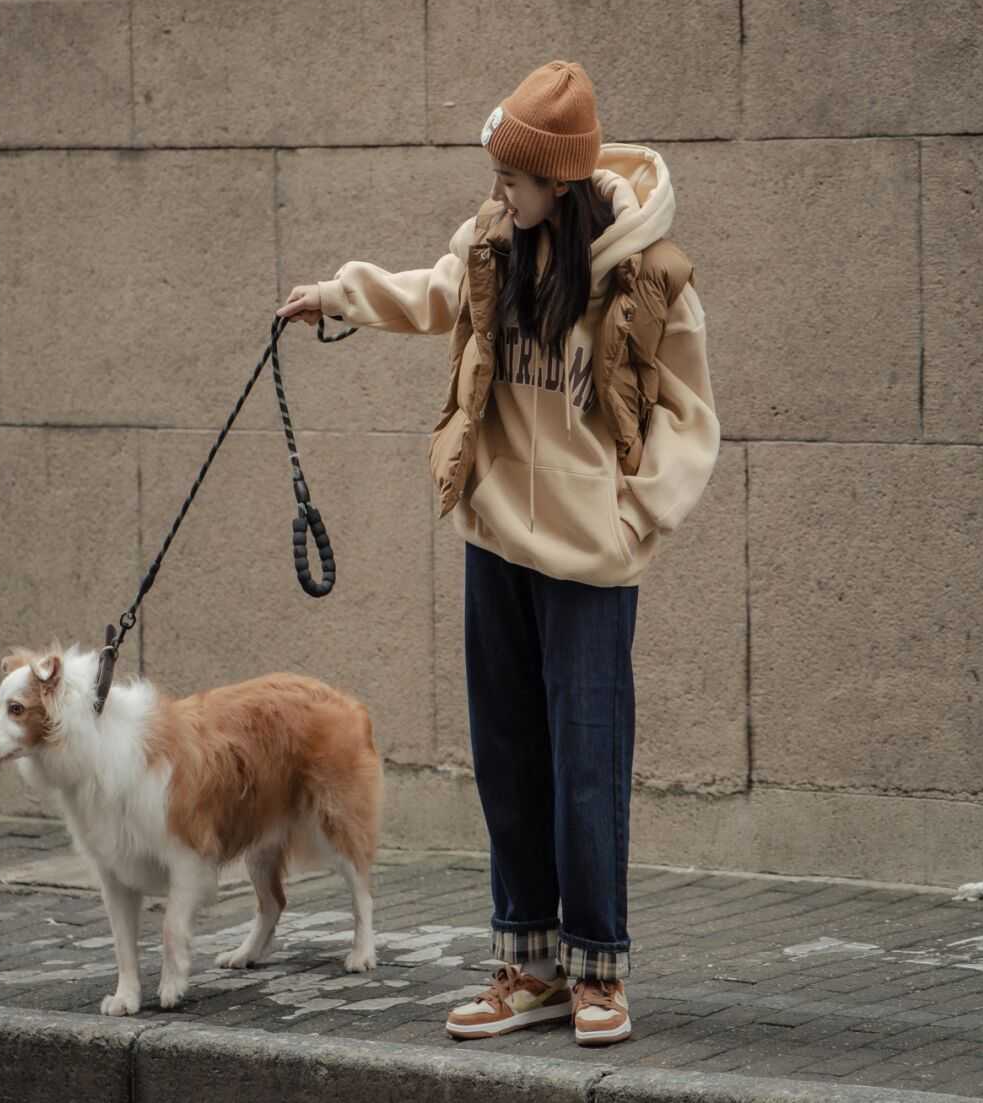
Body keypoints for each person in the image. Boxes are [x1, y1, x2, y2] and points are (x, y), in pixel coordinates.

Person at [278, 60, 719, 1047]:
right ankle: (528, 962)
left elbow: (691, 411)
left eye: (511, 178)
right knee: (508, 755)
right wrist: (336, 295)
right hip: (495, 543)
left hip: (590, 560)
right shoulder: (490, 243)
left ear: (556, 183)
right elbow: (435, 293)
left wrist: (636, 513)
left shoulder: (645, 274)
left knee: (586, 764)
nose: (495, 192)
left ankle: (597, 968)